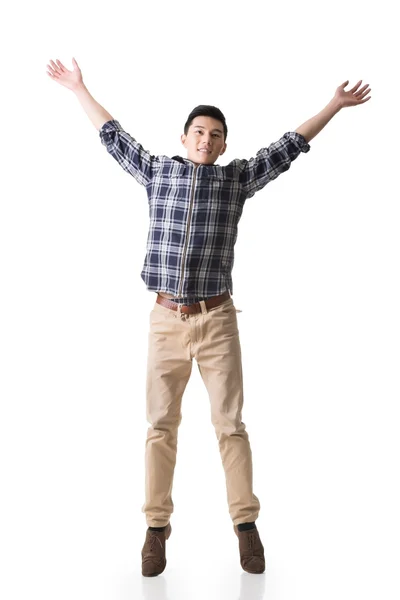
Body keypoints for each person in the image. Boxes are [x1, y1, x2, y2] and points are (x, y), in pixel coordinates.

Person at [46, 57, 372, 577]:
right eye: (198, 131)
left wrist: (333, 104)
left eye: (215, 135)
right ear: (184, 137)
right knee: (159, 426)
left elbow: (288, 147)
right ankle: (156, 529)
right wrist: (78, 88)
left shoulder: (236, 180)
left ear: (223, 146)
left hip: (218, 321)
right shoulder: (158, 172)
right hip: (165, 321)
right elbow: (112, 135)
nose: (205, 140)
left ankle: (246, 526)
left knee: (230, 425)